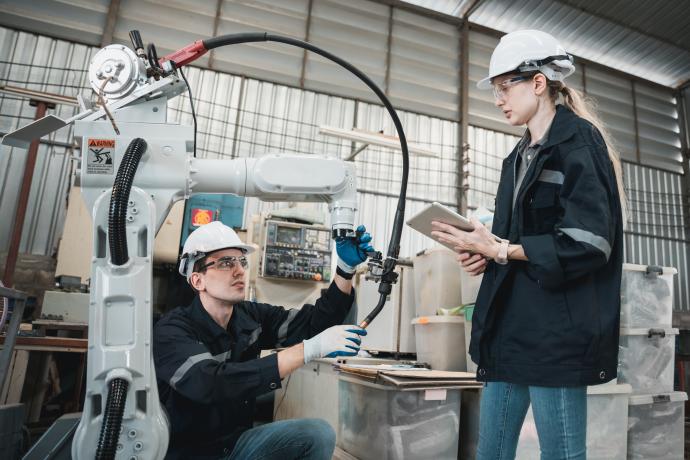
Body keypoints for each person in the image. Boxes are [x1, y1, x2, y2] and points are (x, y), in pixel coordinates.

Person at [430, 30, 625, 460]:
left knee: (561, 454)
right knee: (492, 452)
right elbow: (514, 240)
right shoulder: (516, 158)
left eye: (505, 87)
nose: (498, 99)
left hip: (555, 332)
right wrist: (484, 250)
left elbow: (588, 243)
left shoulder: (578, 143)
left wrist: (502, 250)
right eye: (496, 90)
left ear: (538, 83)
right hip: (509, 326)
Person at [153, 220, 374, 459]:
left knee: (317, 434)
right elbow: (210, 383)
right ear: (198, 280)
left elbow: (312, 325)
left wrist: (344, 269)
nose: (239, 270)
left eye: (241, 261)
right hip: (191, 453)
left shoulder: (249, 316)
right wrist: (308, 349)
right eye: (226, 263)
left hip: (236, 444)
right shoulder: (172, 331)